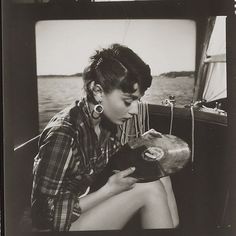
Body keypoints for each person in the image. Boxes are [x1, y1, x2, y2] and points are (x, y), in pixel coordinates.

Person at [31, 43, 179, 231]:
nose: (135, 110)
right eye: (128, 101)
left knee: (160, 176)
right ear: (98, 91)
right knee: (151, 190)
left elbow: (110, 157)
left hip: (81, 202)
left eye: (137, 100)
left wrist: (143, 143)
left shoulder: (106, 122)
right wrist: (108, 190)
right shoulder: (63, 135)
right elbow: (44, 216)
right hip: (53, 226)